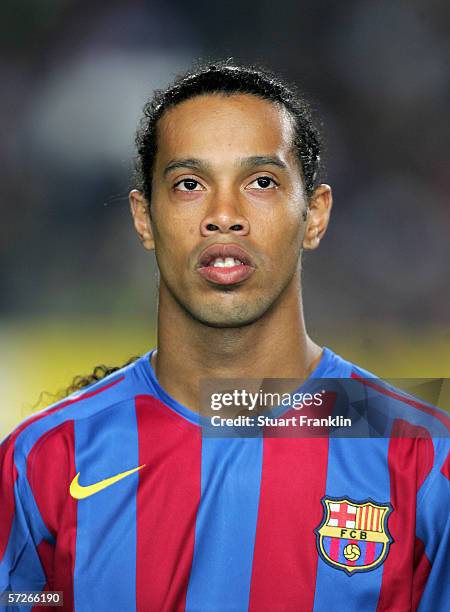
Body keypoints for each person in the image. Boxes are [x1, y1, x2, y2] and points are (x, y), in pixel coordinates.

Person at [0, 62, 448, 612]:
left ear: (315, 215)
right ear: (144, 217)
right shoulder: (43, 462)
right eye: (190, 184)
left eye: (261, 182)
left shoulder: (424, 459)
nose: (224, 215)